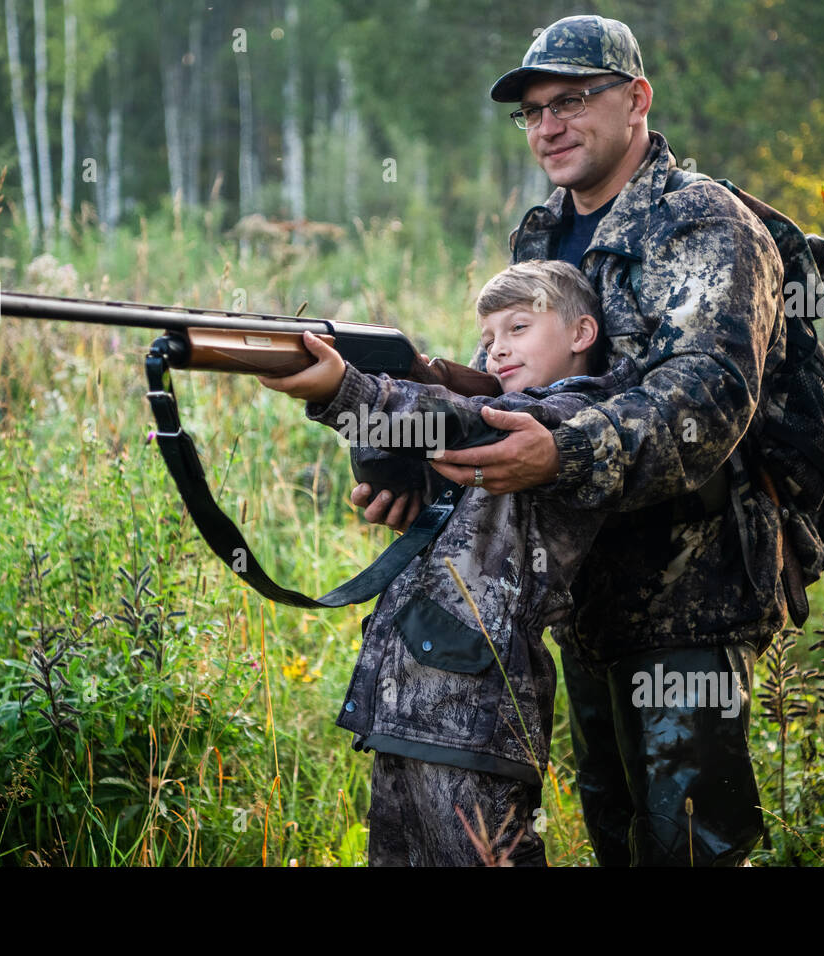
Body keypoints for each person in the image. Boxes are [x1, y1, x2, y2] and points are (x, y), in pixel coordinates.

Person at [353, 15, 788, 866]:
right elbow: (514, 384)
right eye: (532, 111)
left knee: (691, 842)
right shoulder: (545, 233)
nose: (547, 126)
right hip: (574, 591)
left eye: (572, 101)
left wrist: (561, 454)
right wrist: (413, 444)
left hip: (686, 594)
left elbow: (708, 396)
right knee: (615, 831)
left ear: (637, 101)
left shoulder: (703, 223)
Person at [259, 259, 640, 866]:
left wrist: (347, 392)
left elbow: (461, 420)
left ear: (581, 334)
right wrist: (389, 463)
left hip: (477, 717)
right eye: (487, 339)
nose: (497, 351)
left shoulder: (575, 414)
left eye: (518, 328)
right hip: (405, 702)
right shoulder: (494, 418)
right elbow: (420, 443)